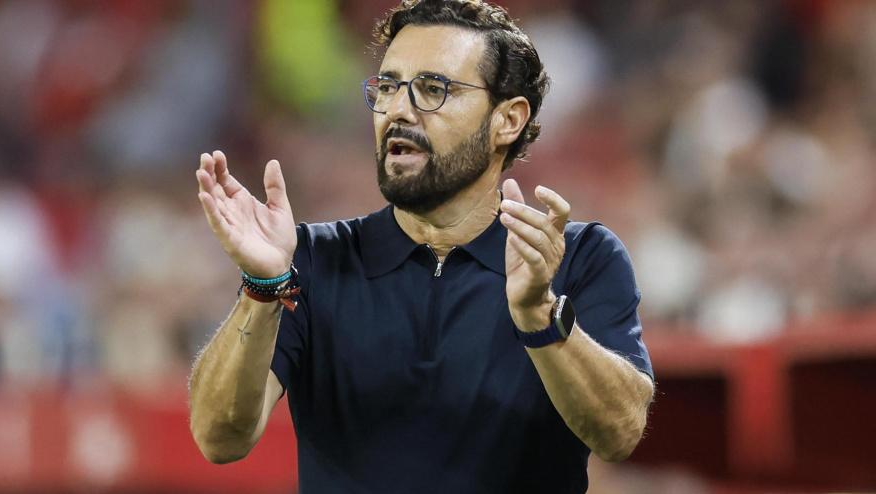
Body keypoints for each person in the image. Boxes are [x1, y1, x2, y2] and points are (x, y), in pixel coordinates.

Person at [189, 1, 654, 492]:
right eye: (387, 87)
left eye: (433, 90)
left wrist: (540, 315)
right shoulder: (309, 262)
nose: (398, 110)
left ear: (508, 120)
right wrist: (262, 287)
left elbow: (620, 434)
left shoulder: (577, 256)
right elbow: (220, 439)